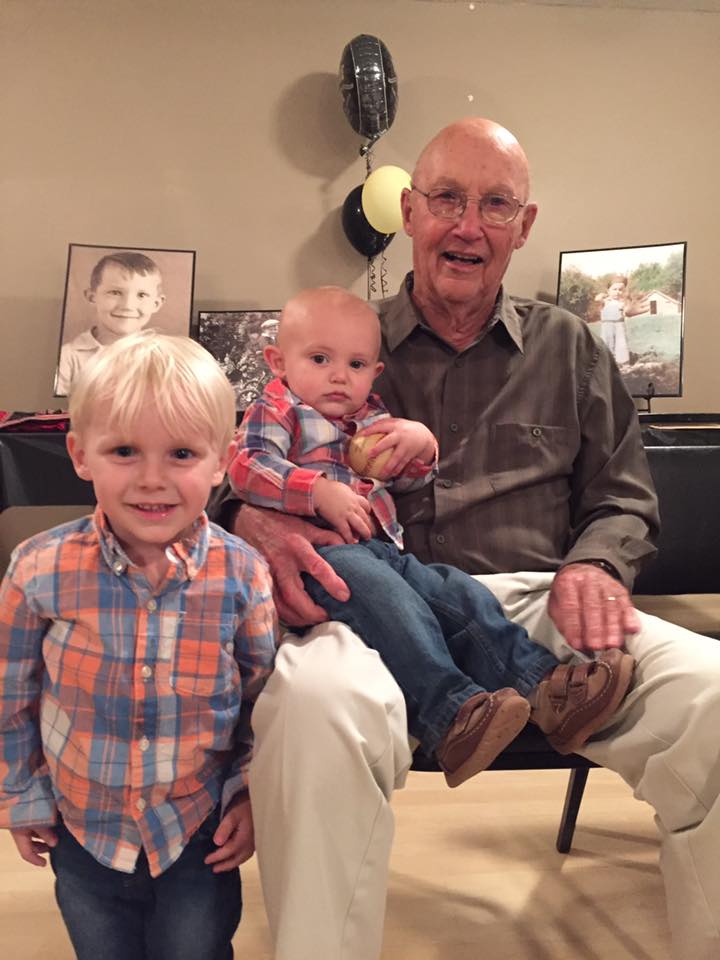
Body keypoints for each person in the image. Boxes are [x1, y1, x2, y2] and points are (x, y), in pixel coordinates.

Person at [216, 118, 720, 960]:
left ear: (524, 226)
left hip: (542, 603)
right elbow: (229, 471)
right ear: (410, 212)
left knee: (713, 695)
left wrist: (597, 563)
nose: (468, 225)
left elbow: (623, 497)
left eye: (496, 205)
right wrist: (251, 520)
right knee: (309, 715)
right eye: (448, 198)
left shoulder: (570, 348)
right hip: (363, 606)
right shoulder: (339, 339)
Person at [229, 285, 635, 787]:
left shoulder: (370, 417)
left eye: (356, 365)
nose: (339, 375)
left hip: (383, 549)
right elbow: (246, 466)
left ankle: (546, 687)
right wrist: (315, 492)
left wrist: (421, 448)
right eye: (319, 359)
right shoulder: (278, 408)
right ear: (277, 362)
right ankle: (450, 713)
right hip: (327, 554)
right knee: (396, 607)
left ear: (375, 372)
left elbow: (404, 484)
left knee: (457, 594)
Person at [0, 330, 277, 960]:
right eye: (124, 451)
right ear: (80, 454)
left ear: (221, 460)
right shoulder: (37, 569)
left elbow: (262, 703)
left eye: (181, 453)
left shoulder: (242, 575)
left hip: (197, 829)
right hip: (82, 829)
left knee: (196, 948)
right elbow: (9, 695)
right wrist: (20, 794)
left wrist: (249, 792)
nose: (153, 480)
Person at [55, 251, 166, 395]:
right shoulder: (68, 357)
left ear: (156, 304)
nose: (128, 305)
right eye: (115, 292)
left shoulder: (165, 358)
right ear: (92, 297)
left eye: (141, 295)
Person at [594, 274, 650, 365]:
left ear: (624, 291)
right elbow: (597, 299)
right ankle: (606, 362)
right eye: (614, 289)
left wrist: (631, 309)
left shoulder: (623, 302)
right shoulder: (605, 301)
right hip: (607, 326)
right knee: (607, 343)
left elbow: (628, 311)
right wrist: (603, 296)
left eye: (620, 290)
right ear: (608, 290)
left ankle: (623, 362)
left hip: (619, 325)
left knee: (621, 344)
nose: (617, 292)